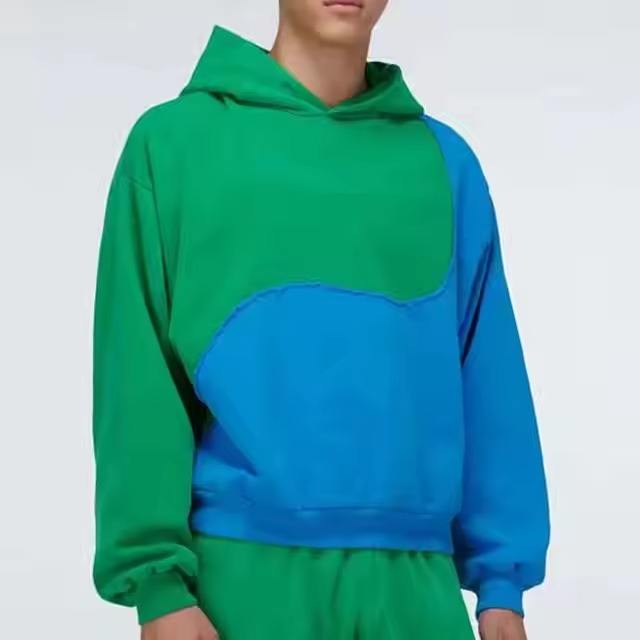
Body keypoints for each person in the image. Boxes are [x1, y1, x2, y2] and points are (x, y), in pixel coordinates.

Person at [92, 2, 550, 639]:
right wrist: (158, 587)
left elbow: (489, 375)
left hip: (415, 587)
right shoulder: (174, 145)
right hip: (240, 580)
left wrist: (502, 587)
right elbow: (138, 374)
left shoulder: (444, 162)